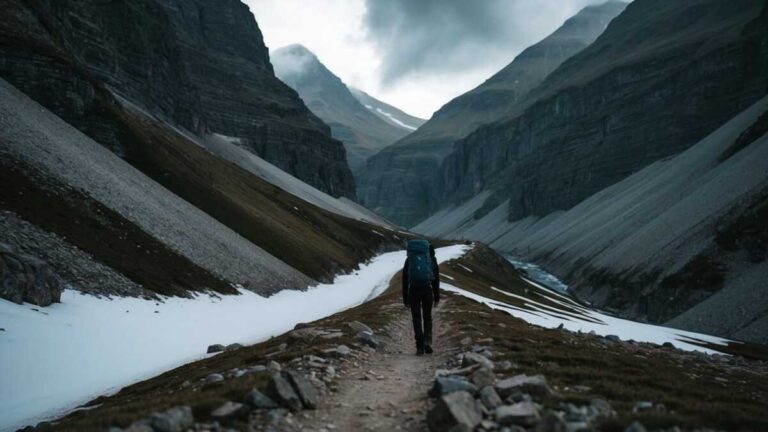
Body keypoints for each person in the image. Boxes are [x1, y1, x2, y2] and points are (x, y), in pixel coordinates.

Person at [402, 239, 440, 355]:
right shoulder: (431, 259)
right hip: (426, 290)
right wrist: (436, 297)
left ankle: (419, 346)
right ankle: (427, 341)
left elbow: (405, 279)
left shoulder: (410, 259)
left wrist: (406, 299)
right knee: (427, 317)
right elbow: (436, 279)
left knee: (416, 318)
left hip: (413, 290)